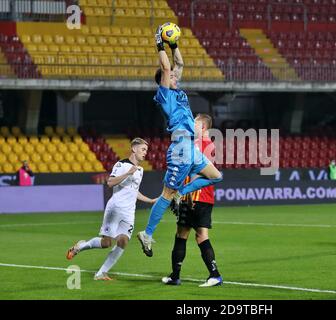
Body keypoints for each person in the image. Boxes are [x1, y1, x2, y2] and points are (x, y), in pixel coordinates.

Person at [137, 26, 223, 257]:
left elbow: (180, 64)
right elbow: (166, 67)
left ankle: (179, 192)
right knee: (166, 195)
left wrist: (174, 44)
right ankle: (147, 233)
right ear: (164, 80)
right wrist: (159, 42)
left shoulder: (179, 92)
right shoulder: (164, 94)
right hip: (180, 148)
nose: (175, 75)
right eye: (172, 76)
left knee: (216, 176)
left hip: (191, 148)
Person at [66, 138, 156, 280]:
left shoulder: (140, 170)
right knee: (106, 243)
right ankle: (80, 246)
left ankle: (101, 273)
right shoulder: (122, 164)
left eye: (146, 150)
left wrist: (150, 200)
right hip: (115, 208)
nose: (146, 153)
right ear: (134, 149)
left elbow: (134, 190)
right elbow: (110, 182)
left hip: (129, 212)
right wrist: (127, 173)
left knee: (123, 241)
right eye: (143, 149)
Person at [162, 113, 223, 287]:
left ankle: (215, 275)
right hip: (195, 195)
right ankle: (175, 276)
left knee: (200, 235)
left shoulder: (203, 145)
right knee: (182, 233)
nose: (191, 125)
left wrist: (186, 193)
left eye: (195, 123)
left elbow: (199, 172)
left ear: (203, 127)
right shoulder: (199, 144)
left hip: (197, 197)